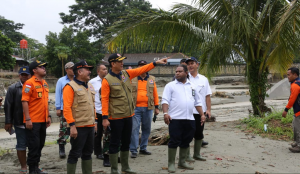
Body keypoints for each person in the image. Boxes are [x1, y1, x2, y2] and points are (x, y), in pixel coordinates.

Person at [101, 53, 168, 174]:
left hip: (129, 115)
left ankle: (125, 167)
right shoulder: (107, 80)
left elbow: (142, 69)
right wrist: (105, 118)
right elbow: (104, 100)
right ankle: (114, 169)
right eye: (119, 61)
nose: (122, 63)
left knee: (126, 141)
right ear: (113, 64)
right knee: (115, 142)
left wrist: (156, 63)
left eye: (122, 61)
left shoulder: (126, 74)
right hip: (115, 117)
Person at [162, 64, 205, 173]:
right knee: (174, 140)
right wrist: (165, 113)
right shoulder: (170, 86)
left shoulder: (192, 86)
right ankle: (171, 163)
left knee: (186, 140)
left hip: (190, 119)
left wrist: (202, 115)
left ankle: (182, 162)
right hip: (175, 119)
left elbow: (197, 102)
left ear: (186, 73)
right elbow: (165, 101)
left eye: (180, 71)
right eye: (176, 71)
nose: (177, 73)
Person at [63, 60, 97, 174]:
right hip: (78, 126)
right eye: (87, 69)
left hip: (90, 125)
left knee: (88, 153)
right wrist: (72, 126)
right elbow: (67, 108)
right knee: (75, 153)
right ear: (79, 71)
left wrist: (95, 122)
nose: (89, 72)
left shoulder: (90, 86)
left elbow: (93, 105)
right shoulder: (70, 86)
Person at [22, 60, 51, 174]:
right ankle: (32, 170)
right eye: (41, 67)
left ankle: (36, 167)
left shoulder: (44, 83)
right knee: (33, 146)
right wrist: (28, 119)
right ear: (34, 70)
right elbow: (24, 101)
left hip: (43, 120)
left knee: (40, 145)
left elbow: (45, 102)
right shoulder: (29, 83)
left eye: (44, 67)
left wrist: (48, 116)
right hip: (33, 121)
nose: (44, 68)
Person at [130, 60, 160, 158]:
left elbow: (155, 93)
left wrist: (157, 107)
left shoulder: (151, 79)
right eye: (140, 66)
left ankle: (143, 148)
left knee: (146, 128)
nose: (142, 68)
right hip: (135, 108)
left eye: (144, 66)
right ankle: (134, 150)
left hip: (149, 107)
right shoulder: (132, 78)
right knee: (134, 128)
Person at [4, 66, 30, 174]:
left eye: (26, 75)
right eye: (22, 75)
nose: (24, 76)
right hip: (19, 121)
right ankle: (23, 166)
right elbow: (8, 105)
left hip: (33, 121)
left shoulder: (33, 87)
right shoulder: (13, 88)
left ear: (29, 75)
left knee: (34, 144)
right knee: (21, 144)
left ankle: (34, 165)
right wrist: (8, 121)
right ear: (19, 75)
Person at [186, 57, 212, 161]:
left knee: (199, 133)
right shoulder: (185, 78)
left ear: (197, 65)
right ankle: (187, 155)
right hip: (187, 112)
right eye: (188, 64)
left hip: (200, 112)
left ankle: (196, 154)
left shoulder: (203, 79)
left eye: (192, 63)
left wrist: (208, 110)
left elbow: (207, 96)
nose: (190, 66)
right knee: (187, 134)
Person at [89, 64, 108, 165]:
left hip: (107, 110)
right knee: (98, 133)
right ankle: (98, 152)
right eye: (103, 69)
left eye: (106, 69)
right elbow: (90, 96)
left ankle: (107, 151)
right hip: (97, 110)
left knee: (107, 133)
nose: (106, 71)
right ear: (98, 71)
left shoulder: (109, 80)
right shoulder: (92, 82)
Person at [55, 62, 74, 158]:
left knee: (75, 128)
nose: (72, 70)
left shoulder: (77, 79)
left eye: (73, 68)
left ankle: (74, 148)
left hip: (76, 109)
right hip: (64, 109)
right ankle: (61, 147)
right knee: (64, 128)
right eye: (70, 68)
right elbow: (58, 94)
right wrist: (58, 108)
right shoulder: (61, 80)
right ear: (66, 69)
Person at [282, 67, 300, 153]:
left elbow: (292, 99)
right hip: (297, 110)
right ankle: (297, 143)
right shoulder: (296, 83)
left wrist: (286, 110)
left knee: (298, 127)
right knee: (295, 126)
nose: (288, 76)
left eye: (289, 75)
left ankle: (299, 146)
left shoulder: (295, 85)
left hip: (299, 110)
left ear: (295, 75)